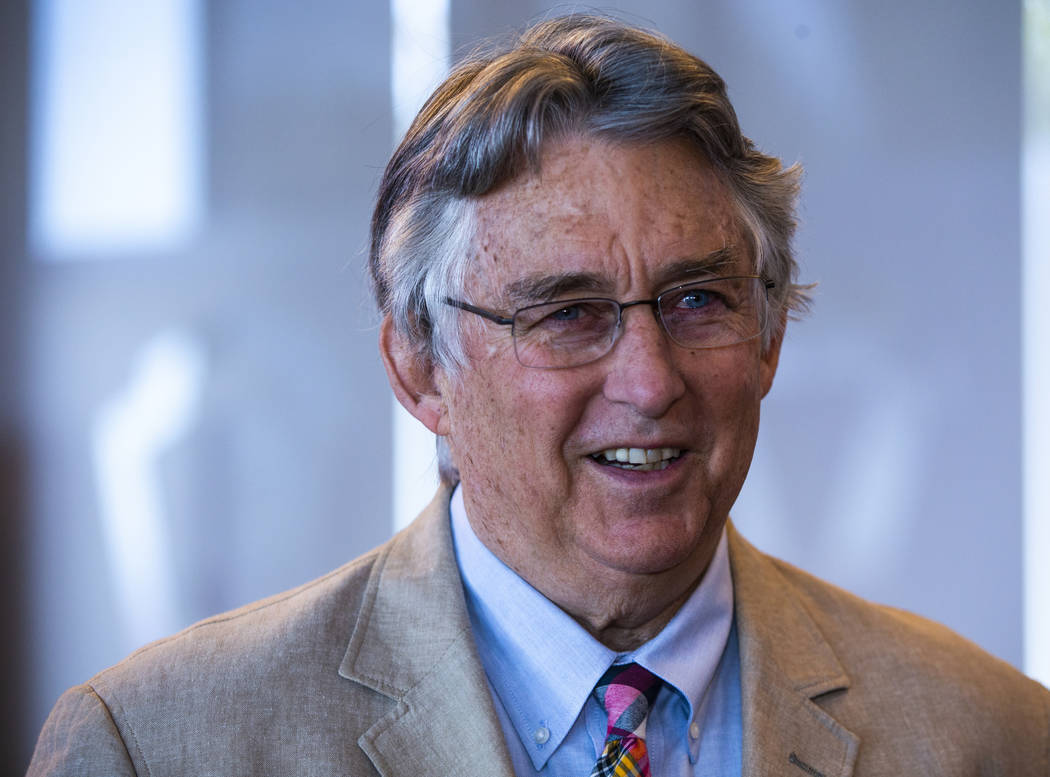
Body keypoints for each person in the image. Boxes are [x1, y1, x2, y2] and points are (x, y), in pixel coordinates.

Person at [28, 14, 1049, 777]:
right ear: (421, 368)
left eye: (698, 299)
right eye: (566, 313)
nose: (651, 382)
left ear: (773, 333)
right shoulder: (158, 746)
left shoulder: (992, 736)